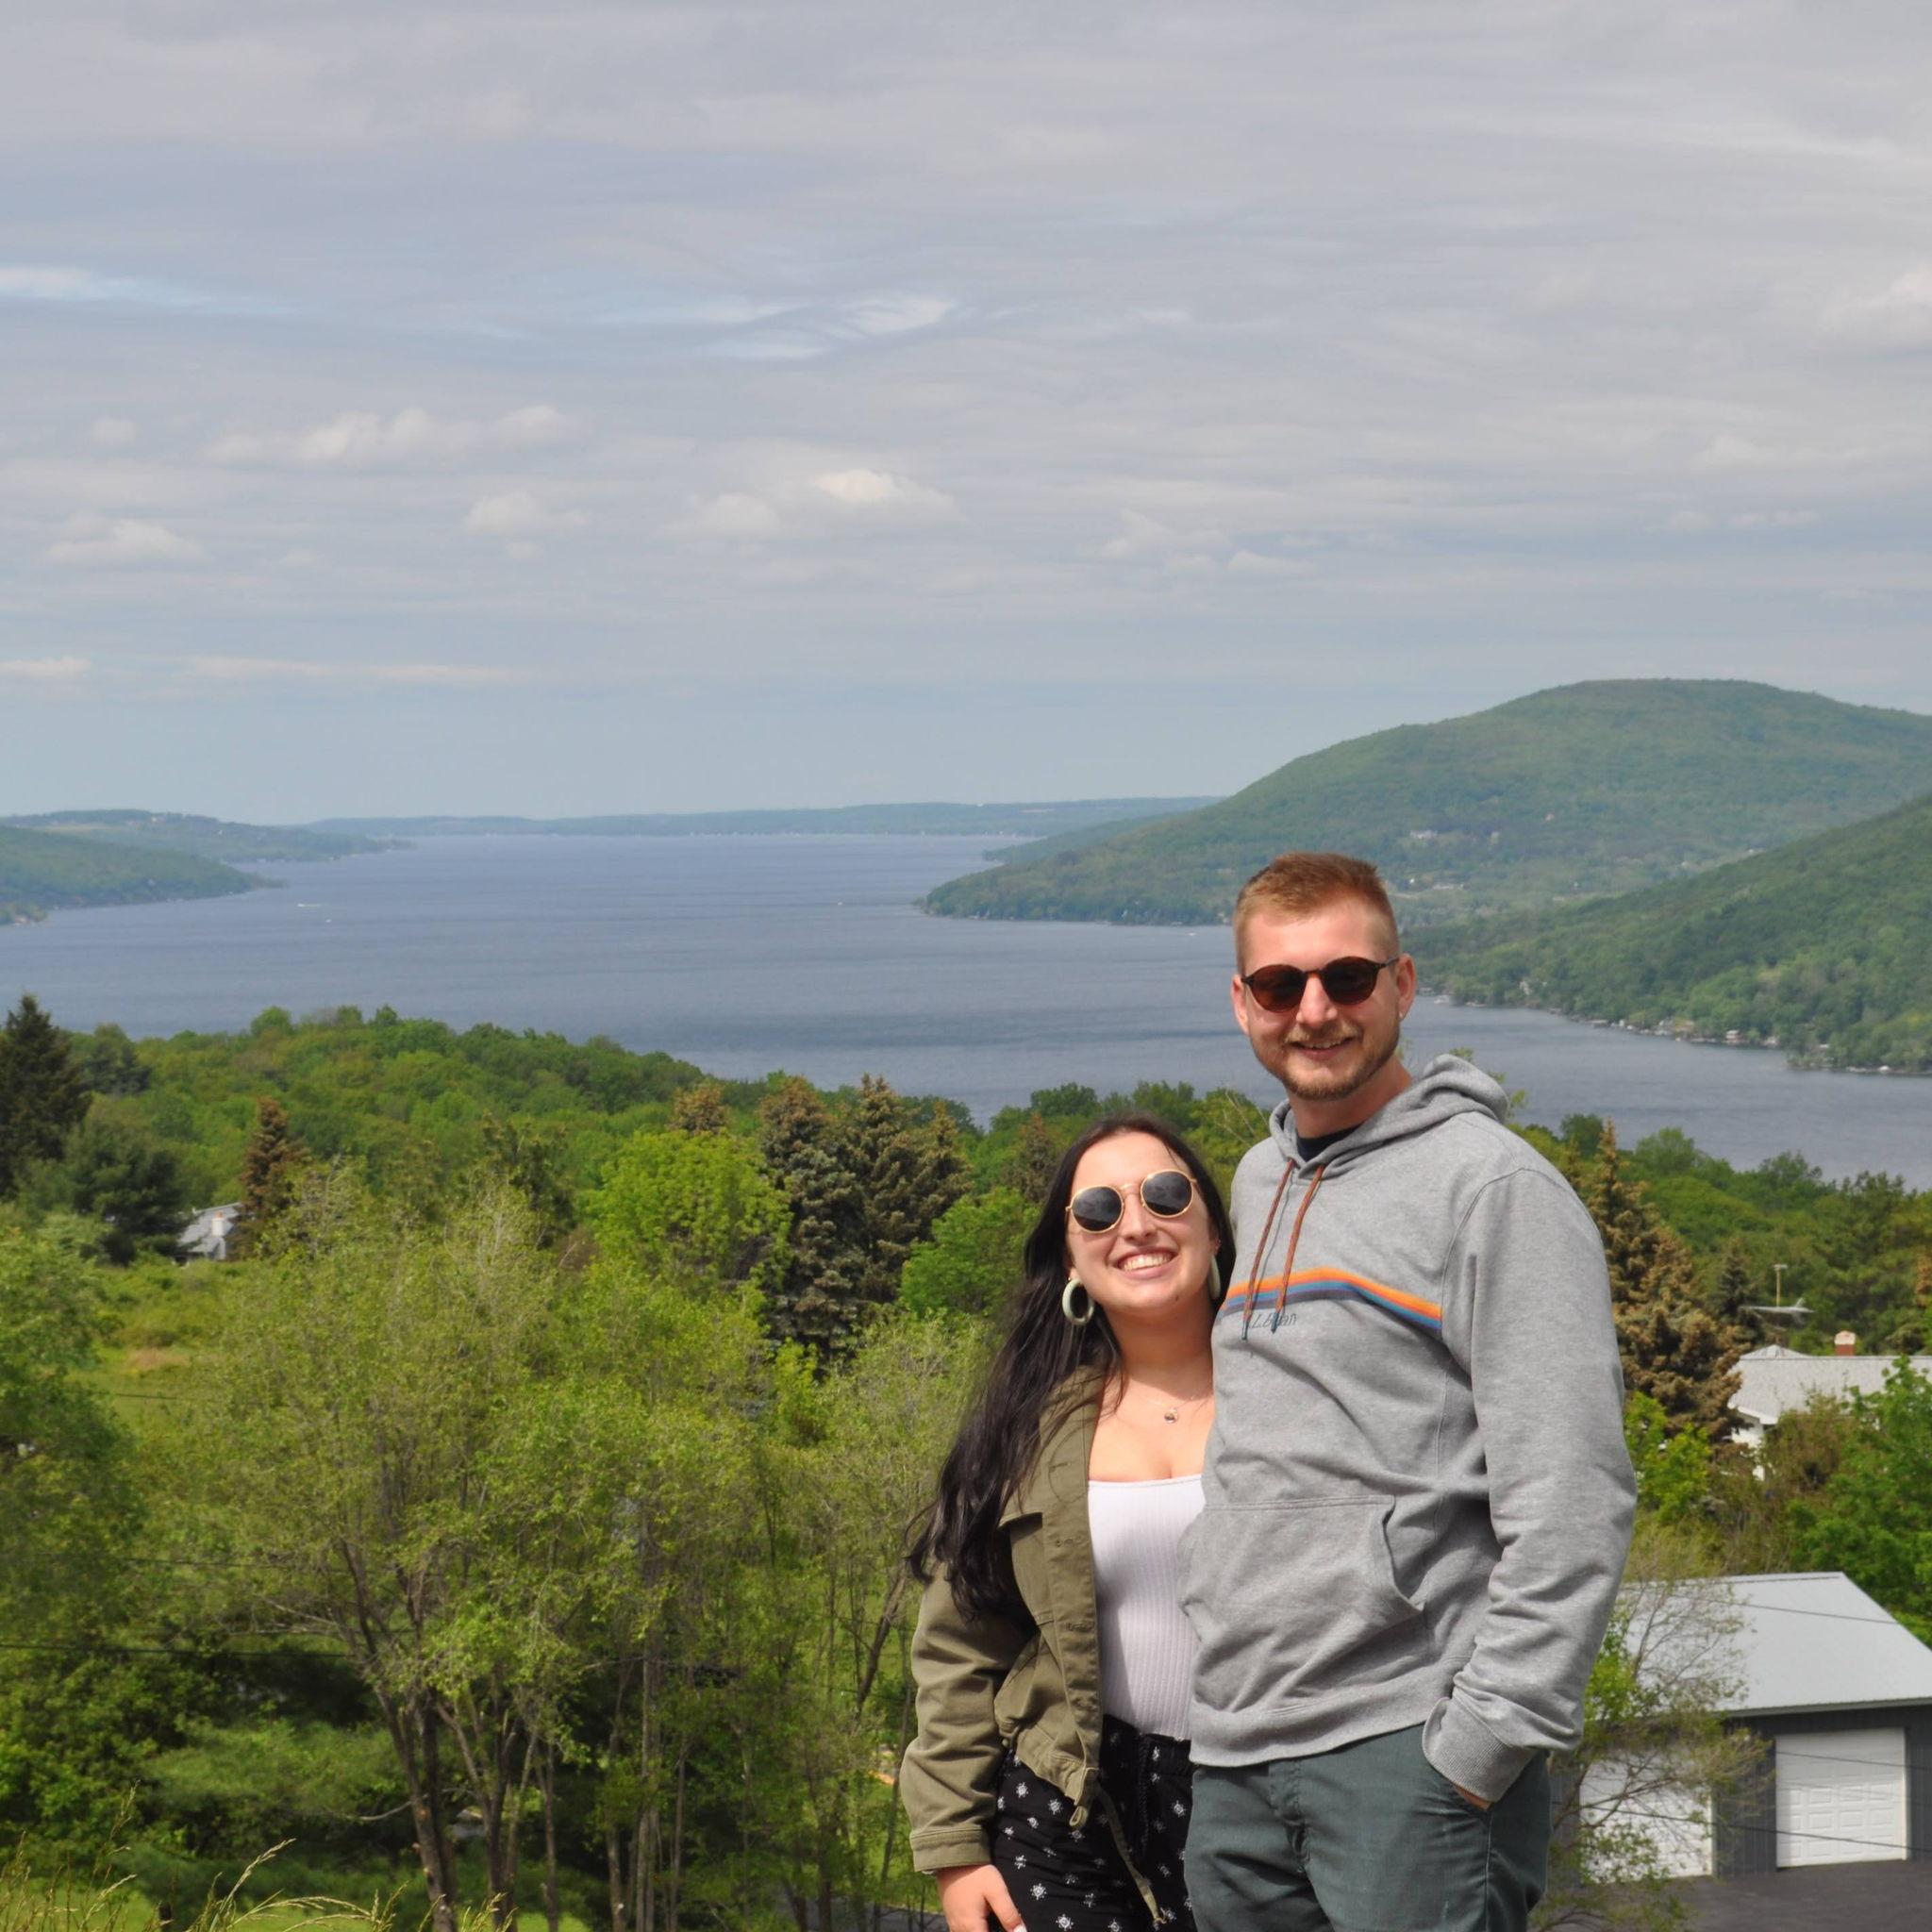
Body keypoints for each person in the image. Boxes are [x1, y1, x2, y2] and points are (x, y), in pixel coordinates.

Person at [1180, 851, 1636, 1932]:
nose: (1315, 1010)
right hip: (1238, 1753)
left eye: (1346, 976)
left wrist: (1476, 1750)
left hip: (1406, 1753)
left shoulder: (1491, 1188)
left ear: (1402, 984)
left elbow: (1573, 1498)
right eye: (1280, 984)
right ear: (1240, 1000)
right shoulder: (1258, 1176)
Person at [904, 1113, 1236, 1932]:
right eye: (1098, 1209)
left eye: (1164, 1194)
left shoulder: (1297, 1396)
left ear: (1214, 1224)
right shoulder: (1028, 1431)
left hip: (1263, 1808)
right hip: (1069, 1820)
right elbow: (959, 1645)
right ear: (1070, 1255)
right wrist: (956, 1853)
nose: (1136, 1225)